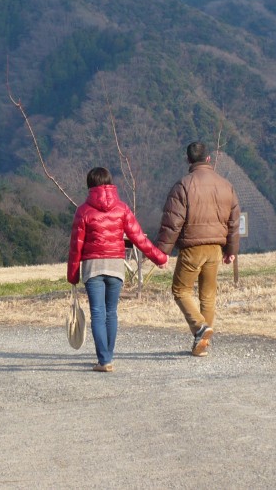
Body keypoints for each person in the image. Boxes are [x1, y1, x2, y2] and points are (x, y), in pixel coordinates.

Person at [67, 166, 168, 372]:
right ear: (110, 183)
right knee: (111, 312)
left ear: (90, 186)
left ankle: (104, 360)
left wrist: (72, 275)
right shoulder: (122, 208)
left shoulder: (83, 210)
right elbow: (139, 238)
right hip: (115, 266)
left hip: (93, 267)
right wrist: (159, 257)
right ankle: (108, 356)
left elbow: (76, 246)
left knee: (97, 313)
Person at [158, 141, 240, 357]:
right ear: (209, 159)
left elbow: (173, 222)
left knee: (180, 290)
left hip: (192, 248)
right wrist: (231, 249)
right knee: (208, 296)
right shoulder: (226, 185)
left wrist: (162, 252)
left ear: (188, 160)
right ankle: (202, 344)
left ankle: (200, 328)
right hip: (216, 248)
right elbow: (233, 221)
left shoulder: (183, 185)